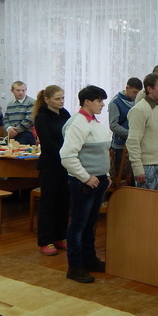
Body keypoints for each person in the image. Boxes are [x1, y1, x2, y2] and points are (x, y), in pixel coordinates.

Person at [59, 85, 112, 284]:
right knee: (79, 224)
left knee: (90, 223)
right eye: (99, 100)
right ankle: (75, 266)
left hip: (98, 180)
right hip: (84, 182)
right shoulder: (77, 123)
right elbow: (67, 156)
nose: (102, 104)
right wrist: (86, 177)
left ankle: (90, 259)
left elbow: (101, 153)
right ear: (87, 102)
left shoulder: (94, 122)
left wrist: (106, 174)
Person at [33, 85, 71, 256]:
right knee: (48, 203)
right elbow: (48, 144)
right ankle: (45, 240)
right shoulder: (42, 117)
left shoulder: (65, 114)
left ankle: (60, 236)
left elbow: (71, 135)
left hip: (66, 165)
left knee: (64, 202)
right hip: (50, 165)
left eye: (62, 98)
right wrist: (65, 155)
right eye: (57, 98)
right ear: (47, 100)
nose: (61, 101)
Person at [126, 73, 158, 191]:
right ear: (149, 89)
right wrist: (137, 168)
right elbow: (133, 141)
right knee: (145, 201)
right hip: (147, 166)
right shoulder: (139, 110)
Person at [108, 77, 143, 179]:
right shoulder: (115, 102)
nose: (136, 95)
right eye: (134, 92)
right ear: (127, 88)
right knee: (121, 176)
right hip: (120, 146)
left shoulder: (138, 101)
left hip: (135, 145)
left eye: (138, 93)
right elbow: (113, 125)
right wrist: (131, 134)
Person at [4, 81, 36, 145]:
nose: (21, 93)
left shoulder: (31, 102)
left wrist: (16, 131)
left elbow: (29, 119)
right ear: (12, 91)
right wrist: (9, 128)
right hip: (12, 134)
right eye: (18, 90)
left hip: (26, 134)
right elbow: (5, 119)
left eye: (23, 90)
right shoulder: (10, 104)